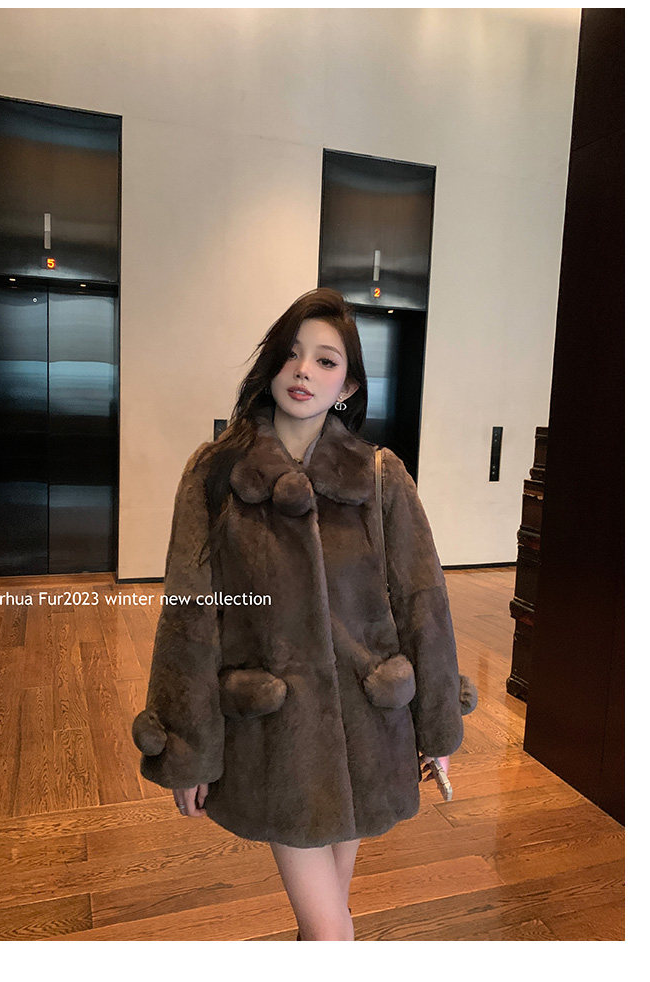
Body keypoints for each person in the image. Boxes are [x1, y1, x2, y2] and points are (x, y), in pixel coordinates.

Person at [132, 288, 476, 941]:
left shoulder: (381, 477)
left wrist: (437, 728)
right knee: (332, 932)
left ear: (348, 386)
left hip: (369, 731)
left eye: (326, 360)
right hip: (274, 739)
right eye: (292, 354)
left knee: (326, 920)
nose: (303, 371)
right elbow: (190, 617)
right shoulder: (216, 473)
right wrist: (189, 747)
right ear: (271, 364)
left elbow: (424, 606)